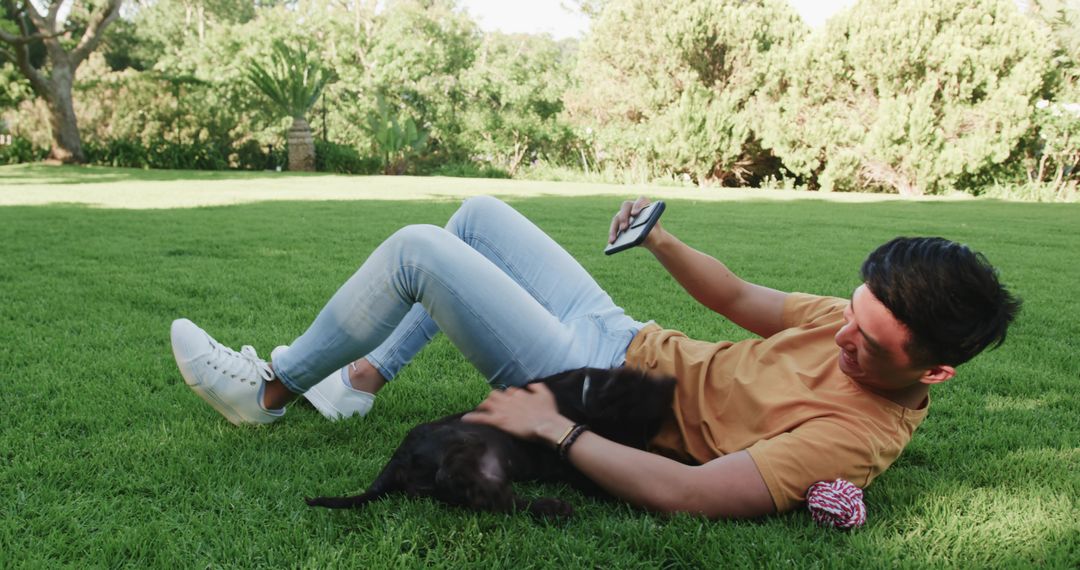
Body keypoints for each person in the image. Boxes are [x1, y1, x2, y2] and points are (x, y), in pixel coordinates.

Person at [170, 195, 1020, 519]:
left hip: (598, 393)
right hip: (624, 335)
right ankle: (359, 379)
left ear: (934, 370)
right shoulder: (852, 322)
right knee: (474, 217)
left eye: (868, 345)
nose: (844, 337)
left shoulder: (852, 436)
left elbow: (691, 494)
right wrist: (659, 240)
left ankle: (272, 390)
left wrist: (555, 427)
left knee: (417, 251)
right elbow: (736, 299)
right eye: (853, 314)